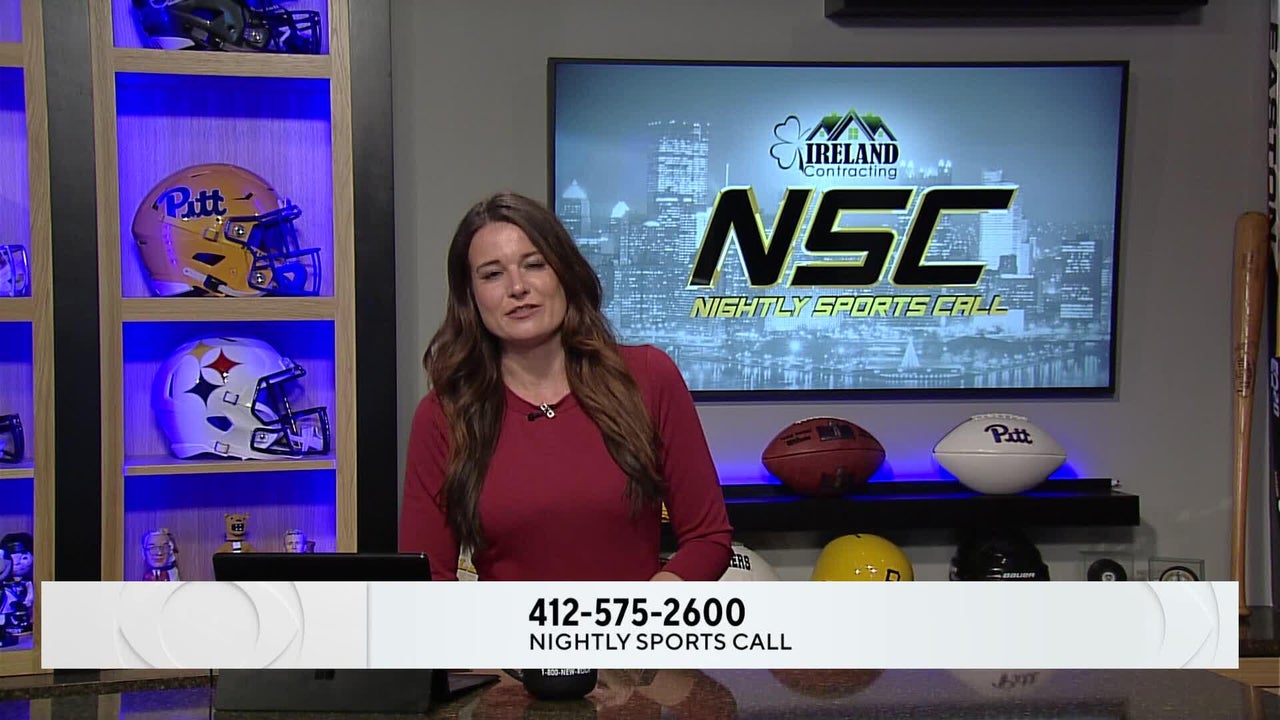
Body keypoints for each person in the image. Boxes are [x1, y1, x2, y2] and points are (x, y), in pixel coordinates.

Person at [399, 191, 732, 581]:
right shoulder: (444, 414)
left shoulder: (648, 377)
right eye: (492, 274)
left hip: (634, 620)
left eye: (534, 264)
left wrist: (653, 600)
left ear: (564, 272)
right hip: (506, 623)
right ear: (470, 296)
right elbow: (427, 579)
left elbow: (708, 536)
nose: (517, 287)